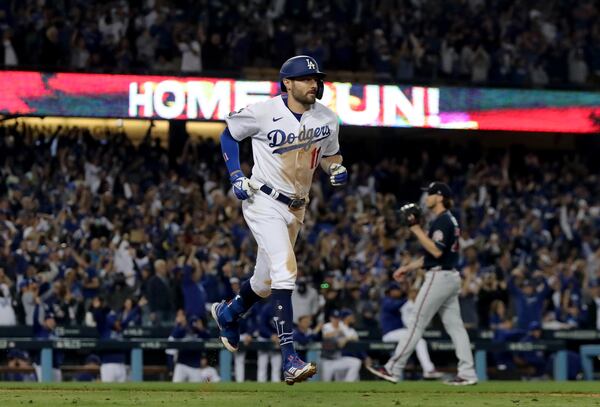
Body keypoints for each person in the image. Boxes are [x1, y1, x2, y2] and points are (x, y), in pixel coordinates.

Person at [211, 55, 347, 385]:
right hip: (263, 199)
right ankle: (289, 358)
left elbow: (330, 154)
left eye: (315, 78)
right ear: (287, 82)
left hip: (297, 207)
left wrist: (335, 168)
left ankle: (229, 312)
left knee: (264, 283)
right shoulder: (263, 111)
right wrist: (235, 175)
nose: (313, 83)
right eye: (305, 78)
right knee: (286, 271)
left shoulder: (328, 118)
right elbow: (228, 135)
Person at [367, 182, 478, 385]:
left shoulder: (443, 221)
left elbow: (435, 251)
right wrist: (407, 268)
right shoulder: (448, 220)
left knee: (416, 323)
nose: (426, 197)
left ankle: (393, 368)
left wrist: (415, 229)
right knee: (456, 328)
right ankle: (468, 373)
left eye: (430, 194)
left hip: (439, 278)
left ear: (440, 197)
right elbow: (432, 256)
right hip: (448, 276)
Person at [380, 283, 441, 379]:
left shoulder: (400, 302)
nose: (399, 292)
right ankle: (428, 370)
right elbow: (395, 306)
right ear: (391, 291)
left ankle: (427, 370)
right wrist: (408, 298)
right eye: (397, 290)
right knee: (418, 340)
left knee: (419, 341)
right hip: (390, 334)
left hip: (399, 333)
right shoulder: (387, 300)